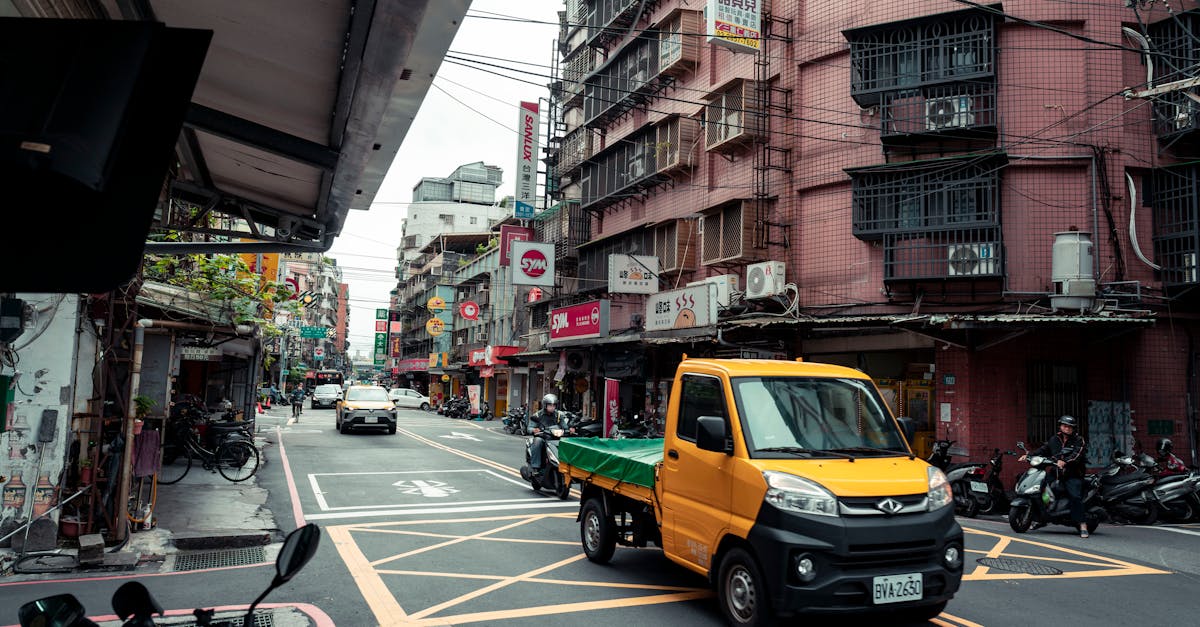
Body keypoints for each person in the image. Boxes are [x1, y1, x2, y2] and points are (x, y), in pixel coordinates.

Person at [1020, 415, 1089, 537]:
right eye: (1064, 426)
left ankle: (1082, 524)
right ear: (1060, 426)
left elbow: (1077, 455)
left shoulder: (1079, 440)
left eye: (1069, 427)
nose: (1066, 428)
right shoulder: (1054, 439)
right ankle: (1040, 519)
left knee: (1075, 496)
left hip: (1072, 475)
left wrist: (1066, 461)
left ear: (1073, 428)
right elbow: (1043, 449)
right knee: (1039, 490)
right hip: (1055, 473)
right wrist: (1029, 456)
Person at [529, 393, 571, 471]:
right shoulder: (537, 415)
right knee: (537, 441)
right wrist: (534, 430)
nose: (552, 407)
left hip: (556, 437)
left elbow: (565, 427)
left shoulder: (558, 415)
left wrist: (569, 430)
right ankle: (535, 467)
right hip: (543, 437)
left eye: (554, 405)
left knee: (568, 442)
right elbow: (529, 428)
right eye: (550, 405)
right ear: (545, 405)